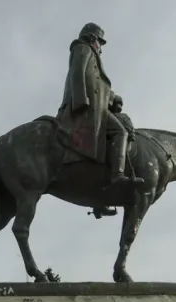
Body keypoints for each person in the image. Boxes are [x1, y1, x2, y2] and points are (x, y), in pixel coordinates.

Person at [56, 22, 144, 189]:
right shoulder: (83, 48)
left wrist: (112, 98)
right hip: (88, 107)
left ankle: (99, 192)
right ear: (92, 38)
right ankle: (117, 175)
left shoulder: (90, 54)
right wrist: (81, 101)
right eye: (100, 43)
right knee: (120, 131)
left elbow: (96, 84)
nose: (101, 49)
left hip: (96, 105)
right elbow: (78, 73)